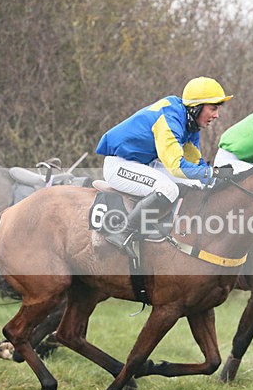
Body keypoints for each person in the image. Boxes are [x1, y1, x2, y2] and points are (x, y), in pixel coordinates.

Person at [95, 76, 234, 257]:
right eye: (213, 108)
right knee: (168, 189)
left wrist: (214, 178)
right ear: (196, 107)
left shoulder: (190, 123)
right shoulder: (170, 119)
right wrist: (212, 172)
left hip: (143, 164)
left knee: (198, 183)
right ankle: (122, 233)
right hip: (120, 165)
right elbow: (177, 167)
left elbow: (194, 162)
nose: (216, 115)